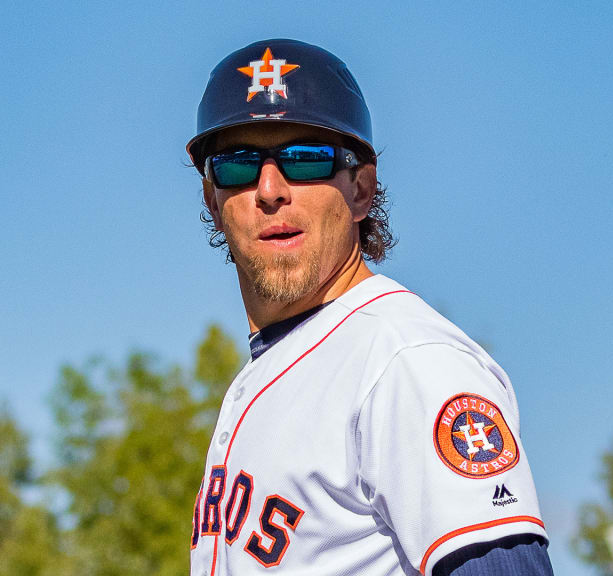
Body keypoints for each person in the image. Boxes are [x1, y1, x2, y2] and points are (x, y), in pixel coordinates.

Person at [187, 38, 553, 576]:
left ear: (361, 189)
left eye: (305, 159)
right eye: (238, 165)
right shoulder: (278, 369)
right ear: (213, 201)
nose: (269, 189)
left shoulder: (407, 360)